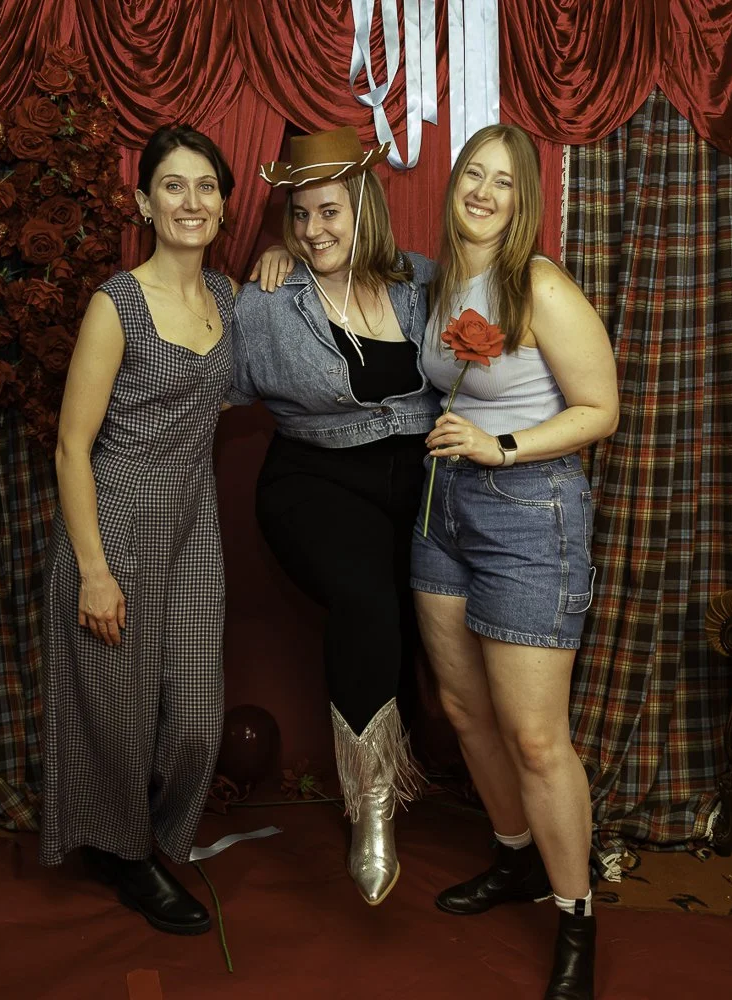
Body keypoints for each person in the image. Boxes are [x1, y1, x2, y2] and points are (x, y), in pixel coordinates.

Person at [411, 124, 618, 999]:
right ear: (454, 185)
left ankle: (577, 917)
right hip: (442, 507)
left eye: (504, 181)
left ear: (525, 198)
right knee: (464, 710)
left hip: (530, 512)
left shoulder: (540, 286)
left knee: (536, 736)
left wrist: (501, 444)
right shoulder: (439, 279)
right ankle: (515, 860)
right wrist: (274, 249)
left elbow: (600, 408)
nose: (485, 192)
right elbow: (341, 254)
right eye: (472, 175)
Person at [228, 126, 441, 905]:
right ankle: (371, 806)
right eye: (300, 215)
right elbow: (202, 369)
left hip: (413, 484)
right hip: (312, 480)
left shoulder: (424, 282)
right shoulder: (270, 299)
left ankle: (448, 784)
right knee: (365, 600)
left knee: (418, 628)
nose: (313, 231)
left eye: (329, 213)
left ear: (364, 210)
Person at [39, 124, 237, 936]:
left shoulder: (227, 298)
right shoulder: (115, 304)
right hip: (113, 524)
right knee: (115, 711)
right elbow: (70, 446)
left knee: (195, 716)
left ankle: (148, 834)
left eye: (205, 186)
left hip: (194, 527)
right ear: (144, 202)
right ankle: (124, 856)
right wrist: (92, 568)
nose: (191, 201)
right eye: (173, 186)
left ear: (223, 204)